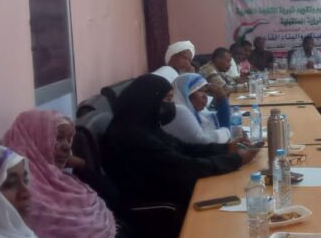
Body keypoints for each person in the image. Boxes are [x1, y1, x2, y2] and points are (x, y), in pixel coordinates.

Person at [1, 111, 154, 238]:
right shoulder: (25, 198)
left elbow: (114, 197)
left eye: (69, 139)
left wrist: (82, 165)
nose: (67, 147)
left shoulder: (59, 180)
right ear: (34, 141)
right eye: (58, 138)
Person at [101, 74, 258, 207]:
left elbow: (183, 148)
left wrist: (226, 148)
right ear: (149, 100)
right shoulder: (134, 137)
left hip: (172, 189)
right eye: (167, 99)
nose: (171, 106)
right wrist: (236, 159)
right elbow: (185, 168)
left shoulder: (143, 124)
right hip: (161, 206)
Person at [162, 73, 239, 144]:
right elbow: (205, 143)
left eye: (206, 92)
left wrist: (221, 100)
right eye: (200, 91)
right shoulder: (178, 112)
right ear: (185, 93)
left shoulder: (198, 112)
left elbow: (221, 120)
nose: (205, 96)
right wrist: (222, 100)